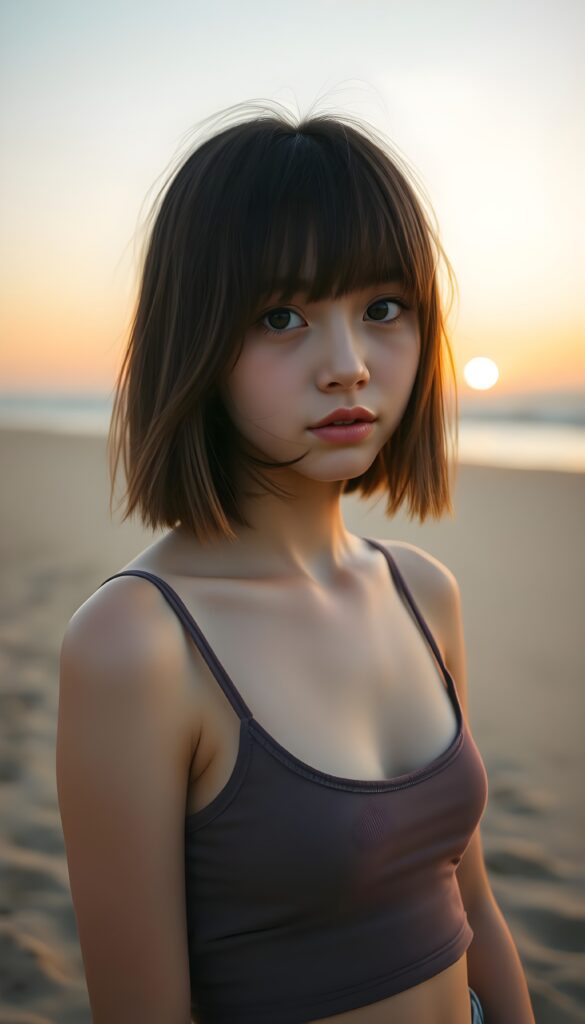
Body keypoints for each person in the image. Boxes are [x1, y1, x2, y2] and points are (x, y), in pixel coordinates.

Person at [56, 99, 535, 1023]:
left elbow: (469, 905)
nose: (349, 363)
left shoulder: (423, 592)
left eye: (383, 308)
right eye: (281, 316)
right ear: (196, 342)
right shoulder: (137, 643)